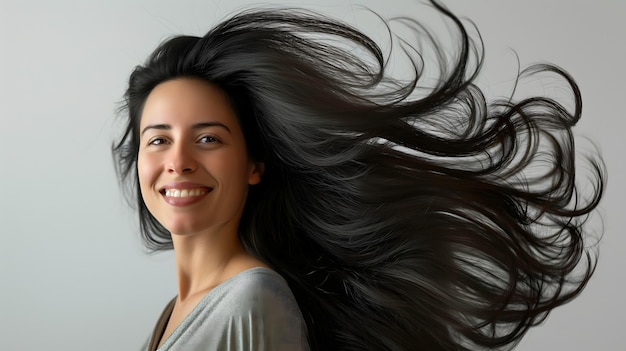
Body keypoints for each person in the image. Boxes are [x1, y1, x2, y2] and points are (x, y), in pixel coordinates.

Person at [113, 1, 605, 350]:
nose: (177, 160)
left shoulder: (252, 301)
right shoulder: (180, 310)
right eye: (158, 139)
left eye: (208, 138)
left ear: (254, 165)